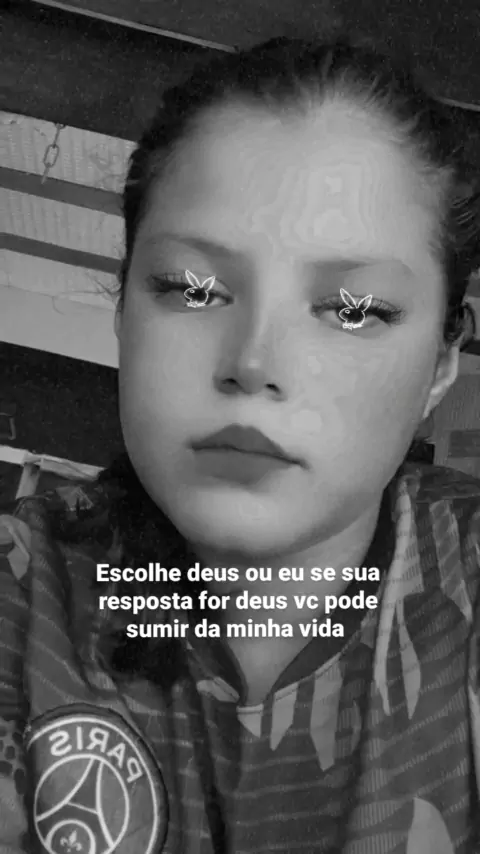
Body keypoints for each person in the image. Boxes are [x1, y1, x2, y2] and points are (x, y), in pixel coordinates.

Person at [1, 31, 480, 854]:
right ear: (122, 309)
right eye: (193, 290)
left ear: (441, 362)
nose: (255, 363)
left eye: (353, 310)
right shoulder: (22, 597)